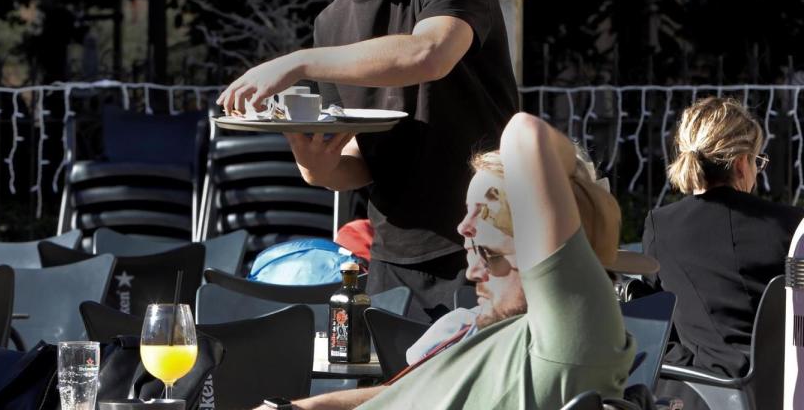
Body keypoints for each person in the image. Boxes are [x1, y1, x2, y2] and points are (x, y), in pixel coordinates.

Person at [217, 0, 518, 322]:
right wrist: (317, 167)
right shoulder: (331, 23)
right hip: (393, 253)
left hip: (484, 240)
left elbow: (429, 53)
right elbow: (362, 157)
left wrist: (297, 63)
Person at [254, 113, 637, 409]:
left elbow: (525, 134)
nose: (471, 273)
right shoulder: (478, 330)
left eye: (490, 254)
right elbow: (401, 398)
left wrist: (577, 194)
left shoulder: (566, 335)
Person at [643, 96, 802, 381]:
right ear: (742, 163)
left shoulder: (660, 226)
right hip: (786, 387)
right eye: (757, 161)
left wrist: (692, 360)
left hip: (704, 390)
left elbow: (656, 325)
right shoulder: (790, 225)